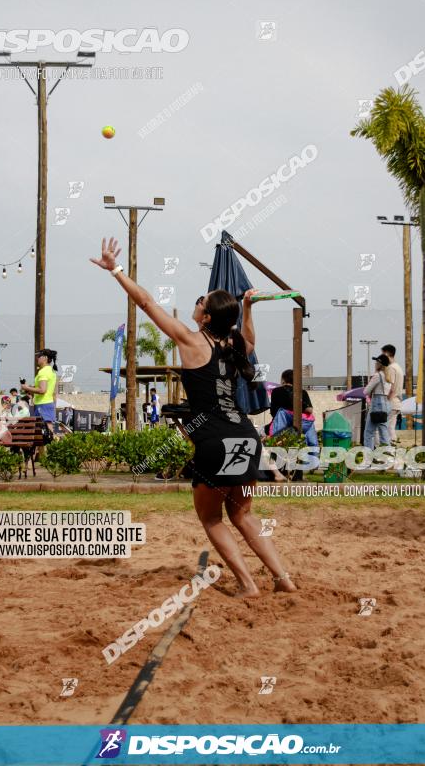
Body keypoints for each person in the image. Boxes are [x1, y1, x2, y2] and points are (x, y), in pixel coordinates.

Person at [91, 237, 295, 596]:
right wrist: (248, 309)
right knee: (243, 515)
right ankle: (283, 579)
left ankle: (249, 585)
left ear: (207, 316)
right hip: (246, 437)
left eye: (201, 302)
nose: (197, 303)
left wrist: (116, 271)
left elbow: (146, 302)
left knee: (212, 517)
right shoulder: (235, 347)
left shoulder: (190, 340)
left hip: (214, 439)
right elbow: (249, 339)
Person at [21, 349, 58, 434]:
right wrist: (29, 387)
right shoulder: (51, 371)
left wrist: (26, 388)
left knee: (46, 430)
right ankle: (53, 446)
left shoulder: (43, 372)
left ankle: (54, 445)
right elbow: (51, 391)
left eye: (38, 356)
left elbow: (42, 390)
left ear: (45, 358)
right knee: (44, 430)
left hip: (43, 404)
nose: (37, 358)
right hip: (47, 403)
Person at [363, 354, 391, 450]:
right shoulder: (388, 377)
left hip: (377, 404)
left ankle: (368, 457)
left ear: (380, 364)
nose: (375, 363)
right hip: (386, 403)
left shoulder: (377, 376)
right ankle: (387, 457)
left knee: (369, 433)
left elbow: (365, 391)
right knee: (384, 432)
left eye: (376, 362)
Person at [382, 344, 404, 442]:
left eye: (383, 353)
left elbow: (390, 387)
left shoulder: (391, 368)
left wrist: (386, 401)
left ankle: (387, 450)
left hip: (391, 401)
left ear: (387, 353)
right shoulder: (398, 367)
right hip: (397, 402)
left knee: (385, 429)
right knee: (391, 428)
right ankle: (393, 449)